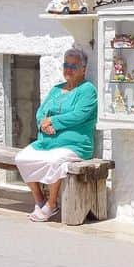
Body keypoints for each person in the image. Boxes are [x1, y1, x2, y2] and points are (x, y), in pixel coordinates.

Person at [15, 47, 97, 222]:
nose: (68, 69)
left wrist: (53, 122)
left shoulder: (87, 90)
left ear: (83, 69)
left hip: (75, 146)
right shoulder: (56, 89)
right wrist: (43, 124)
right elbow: (41, 112)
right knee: (21, 158)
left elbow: (79, 115)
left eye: (73, 66)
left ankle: (52, 204)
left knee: (55, 161)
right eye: (66, 65)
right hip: (46, 142)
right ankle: (40, 199)